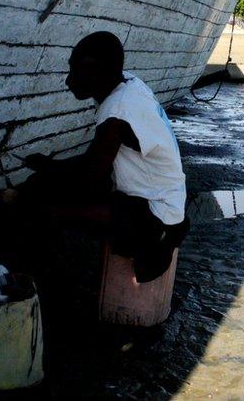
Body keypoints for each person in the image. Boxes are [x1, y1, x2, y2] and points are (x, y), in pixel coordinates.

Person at [20, 31, 188, 283]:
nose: (68, 81)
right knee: (43, 185)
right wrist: (50, 166)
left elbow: (89, 176)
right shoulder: (129, 84)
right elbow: (95, 162)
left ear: (96, 73)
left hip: (156, 213)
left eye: (75, 72)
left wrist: (50, 171)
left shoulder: (117, 113)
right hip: (164, 198)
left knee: (47, 207)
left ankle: (46, 279)